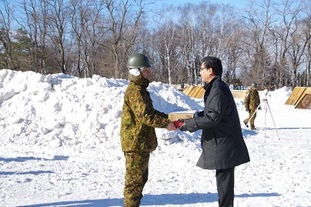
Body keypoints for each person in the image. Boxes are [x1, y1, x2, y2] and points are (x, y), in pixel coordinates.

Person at [176, 56, 250, 207]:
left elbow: (213, 118)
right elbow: (213, 112)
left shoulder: (218, 89)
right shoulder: (215, 88)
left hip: (225, 143)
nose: (200, 73)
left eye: (202, 69)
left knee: (225, 186)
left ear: (210, 70)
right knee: (223, 184)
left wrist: (188, 125)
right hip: (223, 142)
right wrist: (196, 116)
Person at [120, 53, 176, 207]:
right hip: (135, 144)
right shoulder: (135, 90)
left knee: (140, 181)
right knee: (134, 184)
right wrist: (166, 124)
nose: (149, 73)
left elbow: (150, 112)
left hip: (140, 144)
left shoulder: (141, 90)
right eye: (146, 70)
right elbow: (145, 116)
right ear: (137, 71)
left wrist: (169, 117)